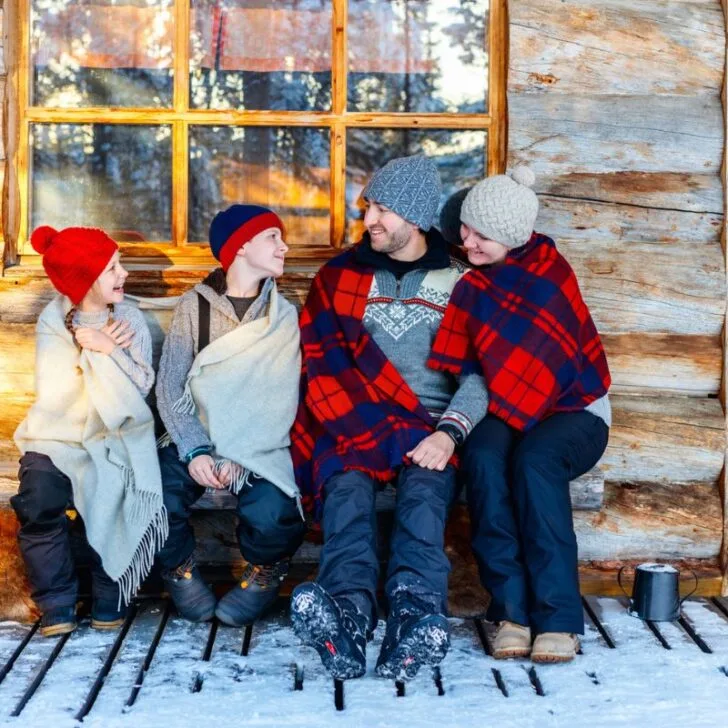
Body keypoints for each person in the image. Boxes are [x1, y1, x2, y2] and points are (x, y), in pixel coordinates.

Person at [290, 155, 488, 681]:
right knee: (347, 492)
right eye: (368, 207)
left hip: (430, 426)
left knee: (424, 496)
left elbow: (480, 376)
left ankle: (414, 614)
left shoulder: (460, 283)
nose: (369, 219)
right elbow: (321, 364)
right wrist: (352, 422)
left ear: (417, 216)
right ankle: (349, 615)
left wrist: (449, 435)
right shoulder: (339, 279)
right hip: (354, 418)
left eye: (382, 208)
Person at [429, 166, 611, 663]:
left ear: (513, 236)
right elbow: (477, 370)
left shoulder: (550, 277)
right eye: (464, 230)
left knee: (533, 463)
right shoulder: (474, 287)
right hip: (503, 404)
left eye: (482, 236)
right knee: (485, 460)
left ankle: (557, 618)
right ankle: (511, 612)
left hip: (576, 407)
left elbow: (557, 367)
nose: (468, 243)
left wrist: (518, 409)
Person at [155, 204, 306, 626]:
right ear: (240, 247)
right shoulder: (195, 307)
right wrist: (196, 450)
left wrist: (244, 452)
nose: (284, 246)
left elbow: (282, 395)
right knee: (155, 497)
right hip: (197, 433)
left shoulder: (282, 314)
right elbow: (170, 386)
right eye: (272, 237)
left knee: (274, 509)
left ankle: (264, 572)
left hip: (258, 443)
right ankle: (179, 570)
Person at [13, 226, 166, 637]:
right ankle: (57, 600)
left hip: (114, 433)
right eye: (112, 267)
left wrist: (108, 349)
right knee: (39, 496)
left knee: (116, 487)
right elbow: (59, 394)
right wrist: (88, 350)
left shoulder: (128, 318)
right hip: (56, 434)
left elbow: (141, 388)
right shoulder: (53, 320)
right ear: (85, 278)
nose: (124, 274)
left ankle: (109, 593)